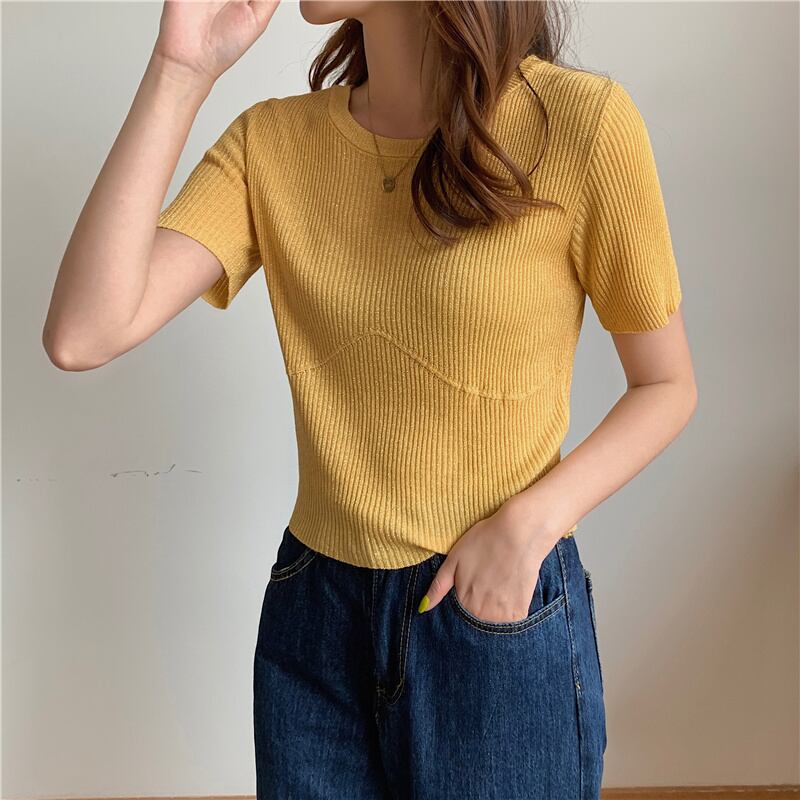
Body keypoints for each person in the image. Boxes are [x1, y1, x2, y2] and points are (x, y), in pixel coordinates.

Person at [42, 1, 698, 797]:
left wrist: (530, 525)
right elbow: (83, 333)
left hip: (491, 608)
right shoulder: (273, 144)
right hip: (315, 617)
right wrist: (180, 71)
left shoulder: (580, 126)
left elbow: (666, 385)